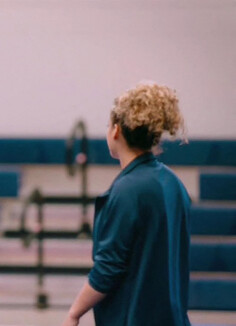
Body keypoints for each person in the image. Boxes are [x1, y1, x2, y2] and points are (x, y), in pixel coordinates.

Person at [62, 82, 191, 326]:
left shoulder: (127, 191)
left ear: (116, 131)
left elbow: (108, 269)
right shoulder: (173, 183)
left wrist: (74, 312)